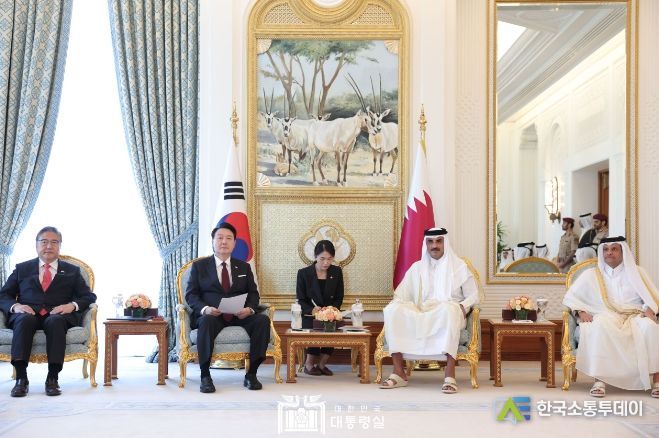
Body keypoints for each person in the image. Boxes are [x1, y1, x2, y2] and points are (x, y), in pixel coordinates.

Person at [0, 226, 97, 397]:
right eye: (44, 242)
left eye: (54, 242)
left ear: (60, 245)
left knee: (55, 321)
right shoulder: (22, 268)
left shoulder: (72, 271)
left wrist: (71, 305)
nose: (49, 246)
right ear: (36, 245)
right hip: (27, 314)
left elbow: (88, 296)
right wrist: (16, 306)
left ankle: (52, 378)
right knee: (24, 319)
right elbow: (4, 295)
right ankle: (21, 378)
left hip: (58, 315)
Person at [380, 228, 479, 393]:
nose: (434, 245)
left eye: (439, 241)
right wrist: (400, 305)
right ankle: (398, 373)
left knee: (449, 309)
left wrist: (463, 306)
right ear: (425, 244)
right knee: (393, 309)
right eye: (430, 242)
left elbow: (473, 295)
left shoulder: (459, 267)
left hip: (448, 312)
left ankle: (450, 375)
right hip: (422, 310)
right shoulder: (416, 268)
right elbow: (401, 294)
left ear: (445, 242)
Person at [562, 236, 659, 398]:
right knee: (599, 325)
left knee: (651, 327)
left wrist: (650, 308)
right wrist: (580, 311)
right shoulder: (591, 275)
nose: (609, 252)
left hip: (635, 315)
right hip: (606, 315)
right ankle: (599, 381)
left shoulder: (638, 272)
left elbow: (653, 296)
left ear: (622, 251)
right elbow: (571, 298)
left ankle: (657, 382)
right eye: (606, 249)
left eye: (614, 249)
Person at [185, 222, 270, 393]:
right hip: (213, 315)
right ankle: (205, 375)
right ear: (213, 241)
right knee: (207, 321)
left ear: (234, 243)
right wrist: (206, 309)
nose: (224, 242)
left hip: (239, 315)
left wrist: (250, 309)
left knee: (262, 321)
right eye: (220, 238)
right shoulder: (200, 266)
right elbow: (191, 295)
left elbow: (253, 294)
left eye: (229, 238)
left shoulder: (244, 267)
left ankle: (251, 374)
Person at [296, 240, 344, 376]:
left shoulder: (337, 272)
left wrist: (331, 311)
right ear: (315, 256)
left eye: (329, 259)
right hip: (310, 315)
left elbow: (339, 296)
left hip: (330, 314)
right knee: (314, 328)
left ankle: (322, 364)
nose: (326, 263)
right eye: (322, 258)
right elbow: (301, 299)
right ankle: (309, 364)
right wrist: (312, 310)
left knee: (332, 327)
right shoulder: (304, 273)